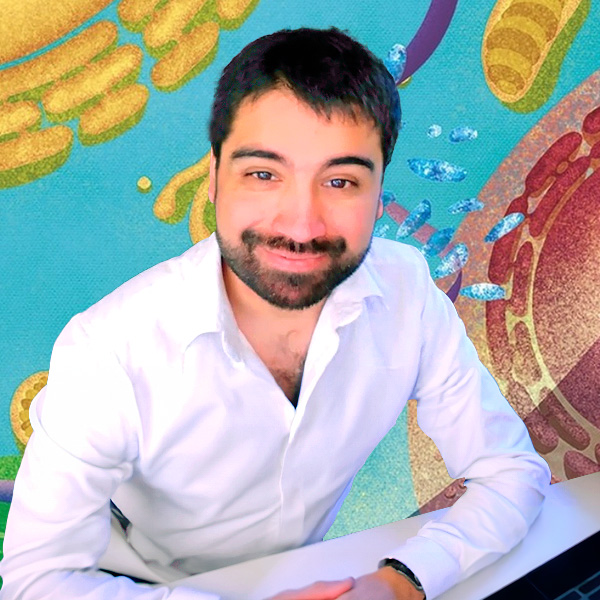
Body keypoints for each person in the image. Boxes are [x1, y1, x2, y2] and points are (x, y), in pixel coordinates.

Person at [0, 27, 550, 600]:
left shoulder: (406, 292)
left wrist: (401, 583)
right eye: (263, 174)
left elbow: (512, 472)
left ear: (379, 191)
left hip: (307, 577)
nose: (301, 225)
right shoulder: (109, 348)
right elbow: (35, 585)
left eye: (341, 181)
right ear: (213, 179)